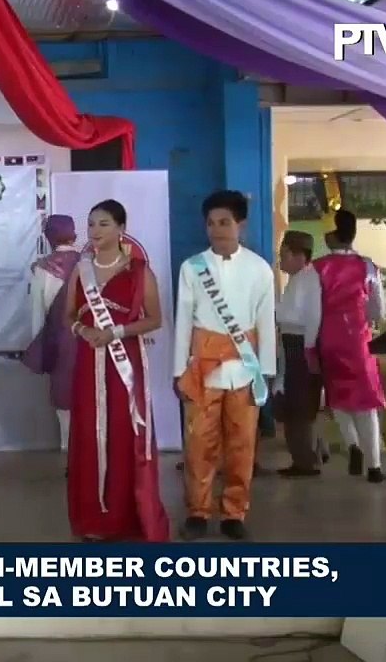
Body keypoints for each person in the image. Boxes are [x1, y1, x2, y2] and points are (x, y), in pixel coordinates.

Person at [174, 191, 276, 541]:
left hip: (245, 370)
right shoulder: (192, 267)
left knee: (242, 445)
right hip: (202, 370)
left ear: (240, 225)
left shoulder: (259, 269)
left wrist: (267, 371)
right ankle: (197, 511)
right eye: (211, 223)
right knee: (199, 445)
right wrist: (178, 371)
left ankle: (235, 512)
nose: (217, 229)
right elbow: (183, 321)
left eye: (224, 222)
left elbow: (265, 322)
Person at [64, 201, 168, 541]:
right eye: (91, 224)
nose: (95, 230)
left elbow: (154, 319)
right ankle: (93, 519)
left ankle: (126, 517)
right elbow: (69, 316)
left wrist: (116, 332)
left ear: (121, 228)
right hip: (89, 361)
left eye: (104, 224)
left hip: (124, 363)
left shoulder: (139, 271)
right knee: (89, 433)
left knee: (125, 434)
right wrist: (83, 330)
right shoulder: (81, 271)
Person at [301, 209, 386, 483]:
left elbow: (313, 313)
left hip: (331, 340)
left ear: (333, 235)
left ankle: (352, 444)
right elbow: (379, 311)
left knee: (337, 399)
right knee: (367, 402)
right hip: (360, 341)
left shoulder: (317, 268)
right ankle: (375, 466)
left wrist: (309, 347)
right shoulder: (368, 266)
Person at [24, 215, 79, 458]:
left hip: (58, 341)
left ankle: (69, 453)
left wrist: (39, 348)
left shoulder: (42, 268)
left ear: (48, 236)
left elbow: (38, 313)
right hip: (89, 339)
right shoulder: (89, 262)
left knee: (63, 399)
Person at [274, 230, 324, 478]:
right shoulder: (297, 279)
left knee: (300, 405)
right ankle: (302, 457)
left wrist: (309, 350)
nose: (280, 260)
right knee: (293, 403)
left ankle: (305, 461)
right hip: (292, 343)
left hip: (301, 345)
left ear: (299, 255)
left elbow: (312, 317)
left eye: (284, 255)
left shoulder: (309, 279)